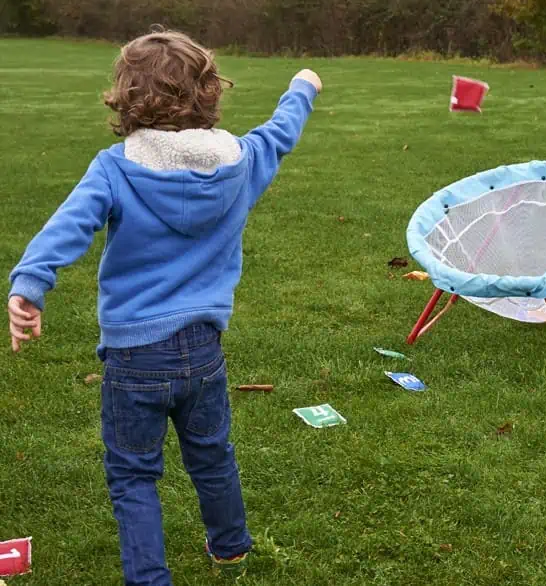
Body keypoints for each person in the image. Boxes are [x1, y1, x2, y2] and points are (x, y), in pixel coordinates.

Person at [6, 29, 322, 584]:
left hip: (133, 358)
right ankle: (231, 547)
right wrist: (302, 87)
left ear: (126, 97)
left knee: (132, 474)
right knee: (212, 454)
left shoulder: (115, 167)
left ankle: (150, 577)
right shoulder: (241, 161)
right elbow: (281, 133)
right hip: (203, 351)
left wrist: (30, 284)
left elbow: (69, 225)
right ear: (209, 93)